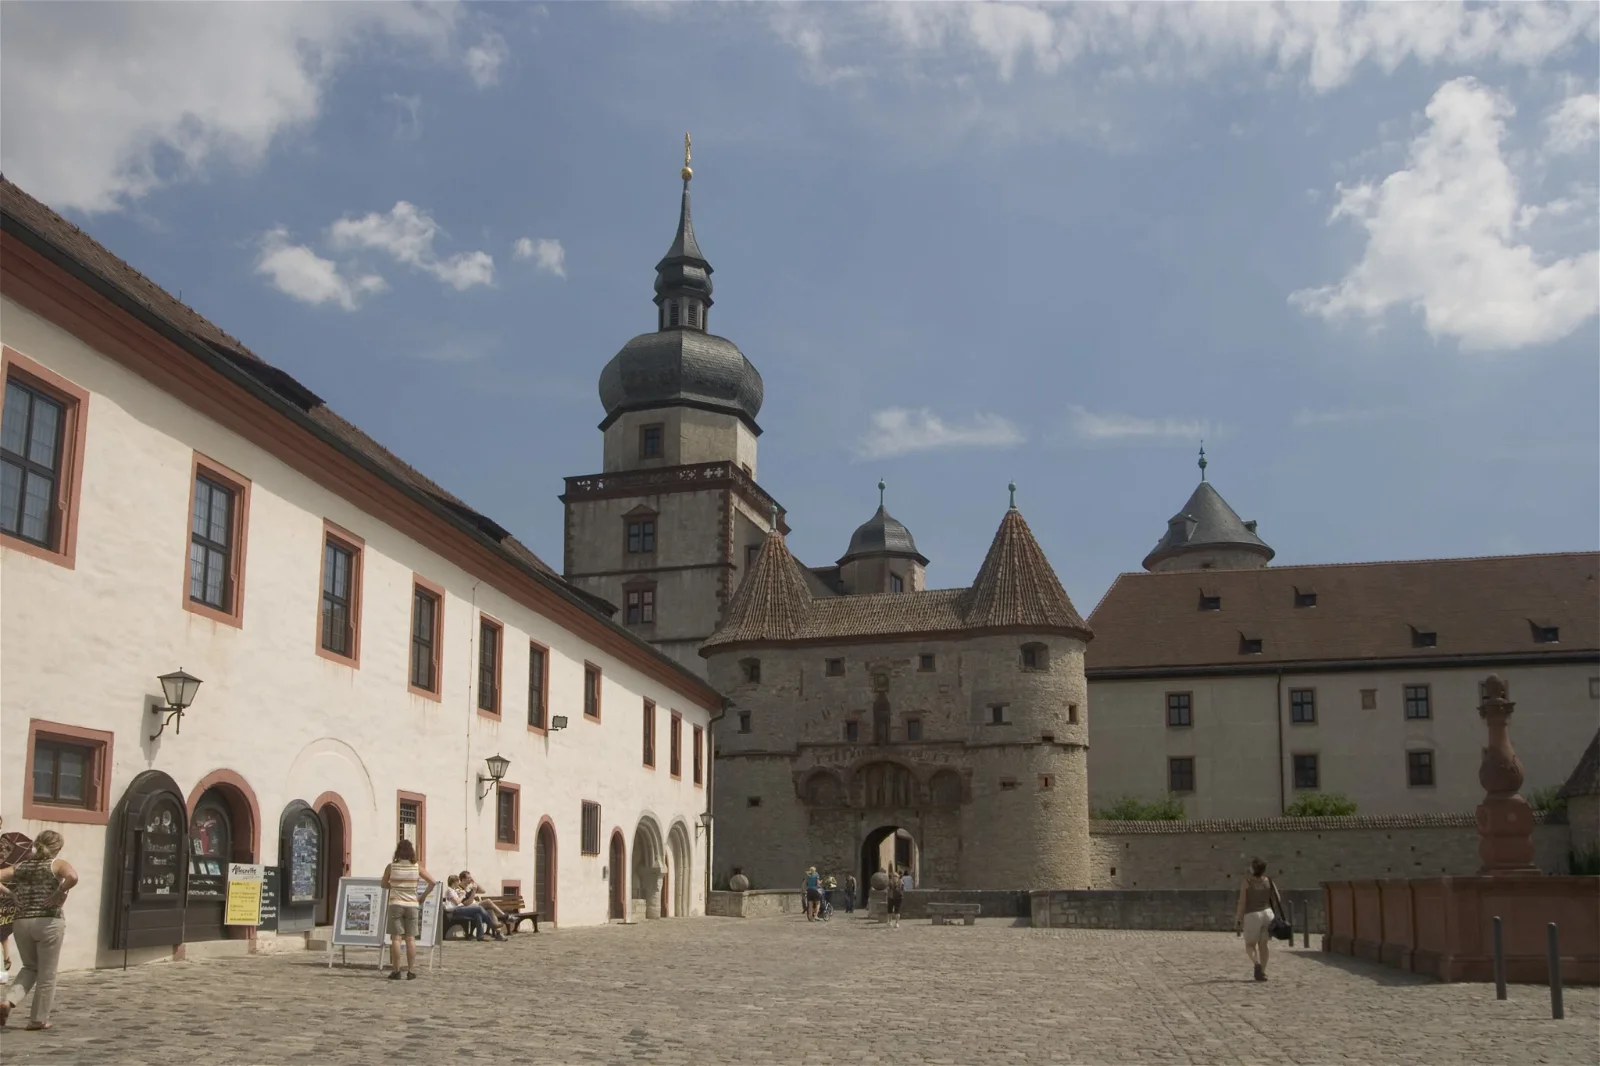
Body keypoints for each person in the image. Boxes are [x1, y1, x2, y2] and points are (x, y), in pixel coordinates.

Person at [0, 830, 77, 1030]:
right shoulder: (57, 864)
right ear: (57, 848)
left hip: (21, 922)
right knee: (47, 974)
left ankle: (8, 1001)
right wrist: (59, 891)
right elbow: (73, 877)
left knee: (29, 967)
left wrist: (11, 894)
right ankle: (38, 1019)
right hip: (48, 922)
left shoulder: (22, 866)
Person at [381, 840, 435, 980]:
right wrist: (422, 896)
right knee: (410, 939)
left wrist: (394, 886)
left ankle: (396, 970)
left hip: (395, 904)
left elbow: (383, 884)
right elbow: (432, 882)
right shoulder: (417, 867)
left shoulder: (391, 867)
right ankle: (411, 971)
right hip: (412, 904)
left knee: (396, 938)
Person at [1234, 857, 1284, 982]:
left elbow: (1242, 902)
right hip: (1268, 913)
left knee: (1250, 944)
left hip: (1252, 915)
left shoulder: (1247, 882)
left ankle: (1256, 963)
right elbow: (1277, 898)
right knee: (1264, 944)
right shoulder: (1269, 881)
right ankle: (1263, 972)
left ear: (1253, 868)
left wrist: (1238, 918)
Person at [443, 876, 501, 942]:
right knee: (478, 908)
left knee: (477, 914)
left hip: (460, 909)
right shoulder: (449, 890)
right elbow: (457, 902)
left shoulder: (453, 890)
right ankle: (491, 924)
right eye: (457, 882)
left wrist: (461, 894)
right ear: (454, 882)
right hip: (456, 910)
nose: (458, 883)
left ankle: (480, 936)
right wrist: (462, 895)